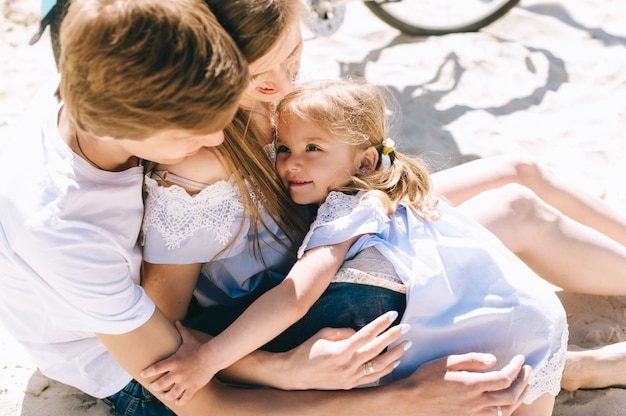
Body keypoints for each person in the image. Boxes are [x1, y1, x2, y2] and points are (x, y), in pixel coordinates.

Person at [1, 1, 531, 416]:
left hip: (177, 330)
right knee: (380, 316)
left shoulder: (102, 64)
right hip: (134, 377)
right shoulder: (66, 230)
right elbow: (188, 391)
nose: (215, 136)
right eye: (192, 131)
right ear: (134, 132)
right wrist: (383, 394)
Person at [140, 0, 626, 397]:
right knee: (515, 210)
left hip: (336, 219)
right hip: (324, 271)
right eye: (262, 73)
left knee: (518, 173)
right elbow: (163, 331)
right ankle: (568, 367)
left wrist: (375, 178)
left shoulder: (273, 101)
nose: (285, 81)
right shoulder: (197, 161)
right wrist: (277, 368)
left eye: (292, 56)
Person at [143, 79, 567, 415]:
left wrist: (208, 358)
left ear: (364, 161)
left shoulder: (346, 209)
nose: (292, 163)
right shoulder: (383, 191)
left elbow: (296, 296)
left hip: (505, 320)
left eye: (314, 149)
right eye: (285, 148)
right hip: (527, 313)